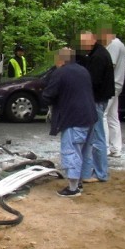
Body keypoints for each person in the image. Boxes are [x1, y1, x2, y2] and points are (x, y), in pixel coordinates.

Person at [42, 48, 97, 197]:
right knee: (85, 151)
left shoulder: (60, 72)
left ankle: (73, 188)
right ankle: (79, 181)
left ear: (60, 59)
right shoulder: (83, 70)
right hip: (90, 115)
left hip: (74, 117)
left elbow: (48, 94)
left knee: (71, 150)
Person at [77, 30, 115, 182]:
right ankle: (95, 171)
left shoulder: (99, 56)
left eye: (85, 42)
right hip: (98, 99)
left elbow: (94, 81)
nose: (83, 45)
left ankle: (100, 173)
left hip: (98, 100)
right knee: (93, 136)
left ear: (92, 40)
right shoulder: (95, 54)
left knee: (97, 137)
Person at [99, 27, 125, 158]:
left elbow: (111, 64)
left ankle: (105, 148)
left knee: (102, 114)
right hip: (117, 84)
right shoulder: (120, 44)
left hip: (112, 84)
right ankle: (116, 148)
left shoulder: (114, 45)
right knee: (113, 116)